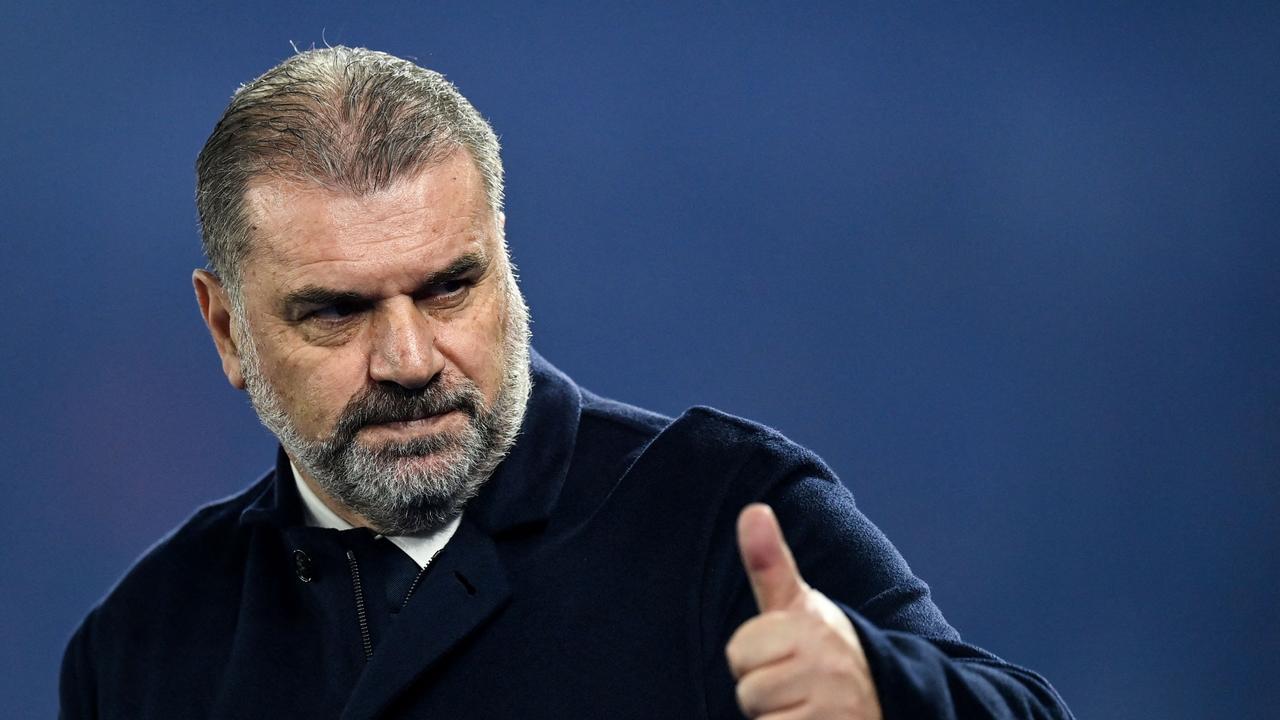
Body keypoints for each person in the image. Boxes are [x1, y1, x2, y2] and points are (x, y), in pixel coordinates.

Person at [60, 46, 1074, 720]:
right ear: (226, 329)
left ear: (506, 265)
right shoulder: (144, 645)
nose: (410, 361)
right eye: (337, 311)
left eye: (450, 287)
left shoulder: (722, 514)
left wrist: (890, 696)